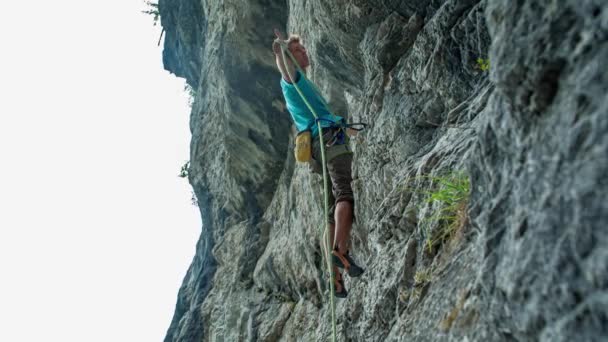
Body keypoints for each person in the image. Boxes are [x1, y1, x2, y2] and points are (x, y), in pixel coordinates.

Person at [272, 29, 364, 298]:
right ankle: (340, 251)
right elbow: (286, 71)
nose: (305, 53)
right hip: (328, 142)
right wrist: (282, 51)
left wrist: (353, 131)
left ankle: (334, 278)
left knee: (330, 210)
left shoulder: (305, 87)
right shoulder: (295, 82)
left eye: (303, 50)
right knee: (344, 193)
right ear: (292, 56)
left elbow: (329, 119)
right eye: (300, 51)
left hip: (319, 146)